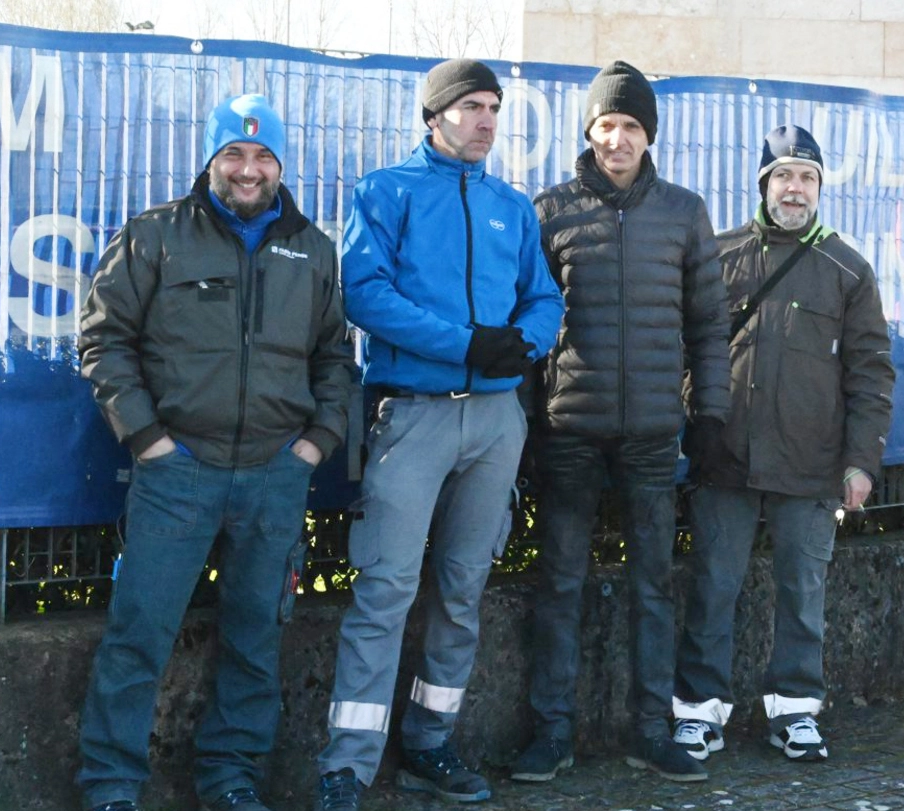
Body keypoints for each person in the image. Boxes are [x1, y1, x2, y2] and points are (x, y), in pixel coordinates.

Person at [75, 94, 353, 811]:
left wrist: (314, 445)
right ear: (210, 160)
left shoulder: (313, 249)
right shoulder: (156, 236)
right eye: (233, 153)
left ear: (281, 164)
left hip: (275, 476)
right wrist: (149, 440)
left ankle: (231, 780)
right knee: (139, 635)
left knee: (257, 638)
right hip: (178, 474)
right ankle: (110, 787)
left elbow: (334, 358)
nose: (248, 169)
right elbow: (103, 339)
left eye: (263, 156)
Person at [313, 58, 565, 811]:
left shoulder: (512, 207)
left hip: (495, 422)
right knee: (386, 588)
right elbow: (364, 293)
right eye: (472, 107)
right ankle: (345, 765)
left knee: (462, 588)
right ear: (435, 116)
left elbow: (545, 297)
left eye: (494, 107)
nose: (488, 120)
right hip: (413, 415)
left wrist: (523, 342)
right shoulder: (385, 191)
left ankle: (430, 740)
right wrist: (464, 344)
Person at [509, 60, 730, 784]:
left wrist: (710, 413)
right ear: (589, 130)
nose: (617, 138)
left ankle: (652, 730)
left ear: (649, 135)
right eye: (606, 124)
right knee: (560, 581)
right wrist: (529, 426)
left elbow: (707, 325)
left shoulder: (685, 212)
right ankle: (550, 732)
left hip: (652, 433)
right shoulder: (550, 210)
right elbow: (529, 326)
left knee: (653, 585)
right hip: (570, 428)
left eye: (631, 125)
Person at [672, 125, 895, 764]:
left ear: (819, 188)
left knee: (803, 590)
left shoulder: (848, 268)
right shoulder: (717, 256)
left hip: (813, 461)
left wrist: (861, 461)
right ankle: (698, 713)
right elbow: (685, 349)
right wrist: (695, 418)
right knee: (714, 584)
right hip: (726, 458)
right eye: (783, 176)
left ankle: (796, 710)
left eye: (806, 178)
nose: (794, 189)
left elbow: (871, 371)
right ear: (763, 184)